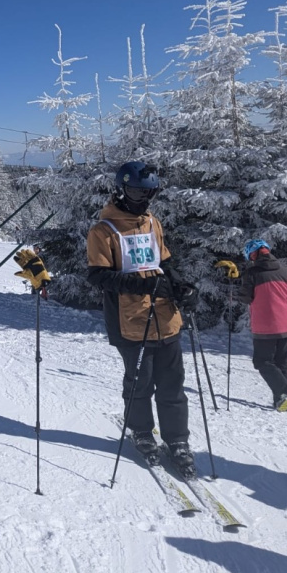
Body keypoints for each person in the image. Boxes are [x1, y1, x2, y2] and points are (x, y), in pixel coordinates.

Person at [85, 161, 198, 477]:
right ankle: (142, 430)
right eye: (136, 191)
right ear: (121, 188)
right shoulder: (103, 230)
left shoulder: (152, 222)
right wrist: (144, 284)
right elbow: (98, 277)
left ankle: (177, 440)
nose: (143, 199)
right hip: (130, 321)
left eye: (149, 192)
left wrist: (181, 287)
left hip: (166, 318)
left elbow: (165, 263)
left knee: (173, 386)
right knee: (140, 383)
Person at [236, 239, 287, 411]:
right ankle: (283, 403)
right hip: (286, 323)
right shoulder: (286, 270)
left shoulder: (252, 273)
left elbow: (246, 297)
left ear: (252, 255)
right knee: (281, 362)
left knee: (262, 361)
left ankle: (284, 391)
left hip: (266, 325)